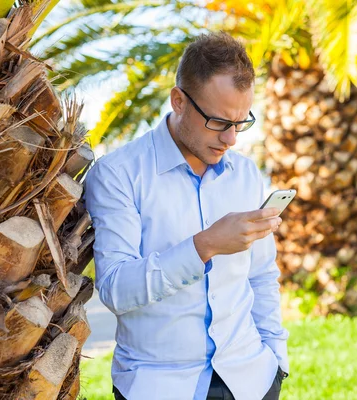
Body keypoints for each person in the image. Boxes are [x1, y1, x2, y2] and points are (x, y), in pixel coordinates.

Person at [84, 32, 289, 400]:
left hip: (252, 380)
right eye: (218, 121)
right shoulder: (118, 175)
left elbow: (261, 275)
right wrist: (205, 246)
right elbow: (115, 288)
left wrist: (277, 361)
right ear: (178, 101)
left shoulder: (245, 174)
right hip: (158, 387)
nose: (231, 140)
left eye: (241, 123)